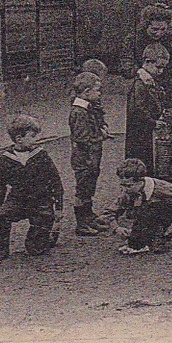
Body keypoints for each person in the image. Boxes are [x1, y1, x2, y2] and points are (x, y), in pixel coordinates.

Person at [0, 115, 65, 260]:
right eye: (33, 136)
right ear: (19, 139)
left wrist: (59, 207)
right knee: (3, 214)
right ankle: (2, 247)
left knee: (35, 249)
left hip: (41, 201)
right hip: (18, 201)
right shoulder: (6, 159)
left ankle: (47, 234)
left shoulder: (41, 156)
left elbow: (56, 182)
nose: (37, 140)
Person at [112, 158, 172, 255]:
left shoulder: (162, 187)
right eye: (122, 185)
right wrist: (117, 228)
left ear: (141, 181)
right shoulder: (127, 192)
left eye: (129, 186)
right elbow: (108, 212)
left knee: (159, 205)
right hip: (144, 218)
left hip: (165, 214)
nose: (124, 189)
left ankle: (160, 237)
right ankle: (142, 239)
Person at [68, 71, 111, 237]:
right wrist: (101, 135)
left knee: (90, 185)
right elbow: (81, 138)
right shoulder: (79, 112)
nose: (99, 93)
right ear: (86, 92)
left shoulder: (88, 107)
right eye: (97, 90)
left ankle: (89, 215)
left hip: (91, 157)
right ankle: (81, 223)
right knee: (83, 188)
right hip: (83, 158)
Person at [117, 3, 172, 94]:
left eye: (163, 29)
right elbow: (126, 64)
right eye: (154, 29)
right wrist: (140, 72)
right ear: (146, 25)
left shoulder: (171, 40)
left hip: (167, 86)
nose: (159, 33)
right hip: (141, 85)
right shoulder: (133, 39)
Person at [124, 44, 169, 168]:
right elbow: (137, 109)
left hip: (144, 130)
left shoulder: (148, 80)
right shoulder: (139, 83)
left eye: (163, 68)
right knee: (140, 160)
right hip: (138, 131)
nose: (161, 71)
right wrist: (153, 122)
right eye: (158, 67)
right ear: (147, 62)